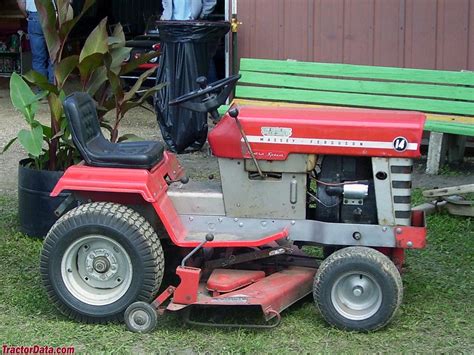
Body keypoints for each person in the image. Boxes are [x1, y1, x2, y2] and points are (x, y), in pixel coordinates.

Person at [16, 0, 60, 83]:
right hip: (52, 15)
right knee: (54, 56)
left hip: (34, 17)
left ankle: (42, 88)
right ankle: (53, 87)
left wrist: (28, 15)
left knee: (38, 58)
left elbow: (21, 2)